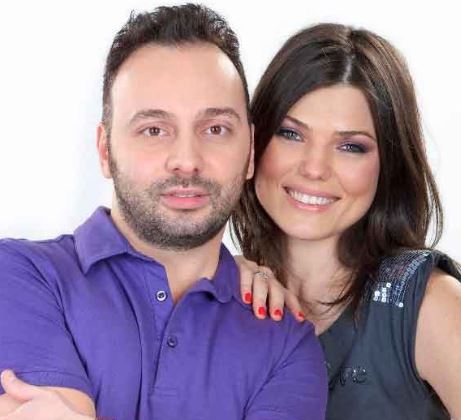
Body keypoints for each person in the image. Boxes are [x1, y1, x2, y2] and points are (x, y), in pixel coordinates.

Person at [0, 5, 328, 419]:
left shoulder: (288, 345)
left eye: (215, 129)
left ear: (249, 152)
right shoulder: (19, 275)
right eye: (154, 130)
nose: (186, 161)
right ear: (105, 150)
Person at [231, 23, 461, 419]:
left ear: (388, 164)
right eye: (291, 134)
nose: (314, 168)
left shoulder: (430, 307)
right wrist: (219, 279)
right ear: (253, 143)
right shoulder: (227, 294)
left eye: (350, 146)